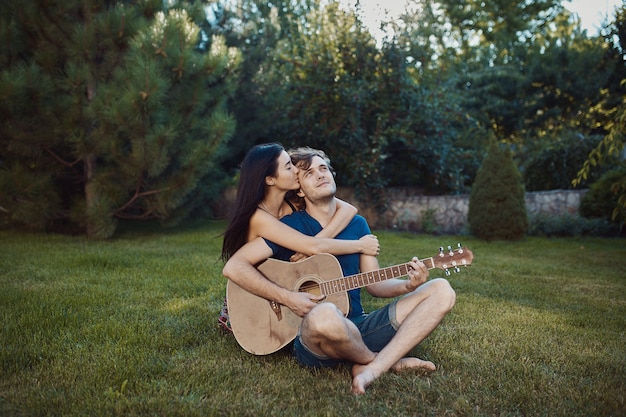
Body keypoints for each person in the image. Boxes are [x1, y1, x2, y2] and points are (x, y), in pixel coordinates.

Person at [222, 147, 456, 394]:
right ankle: (382, 361)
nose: (320, 174)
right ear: (299, 188)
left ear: (333, 175)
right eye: (309, 172)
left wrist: (408, 285)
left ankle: (369, 365)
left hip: (358, 325)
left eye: (323, 168)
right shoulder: (288, 226)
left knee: (442, 289)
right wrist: (289, 297)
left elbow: (374, 284)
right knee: (326, 314)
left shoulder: (357, 223)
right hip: (315, 333)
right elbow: (242, 264)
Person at [218, 143, 380, 331]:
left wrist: (309, 248)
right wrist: (359, 246)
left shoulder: (292, 204)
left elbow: (348, 209)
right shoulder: (259, 218)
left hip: (286, 283)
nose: (296, 170)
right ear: (270, 179)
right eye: (288, 166)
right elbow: (313, 246)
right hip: (256, 297)